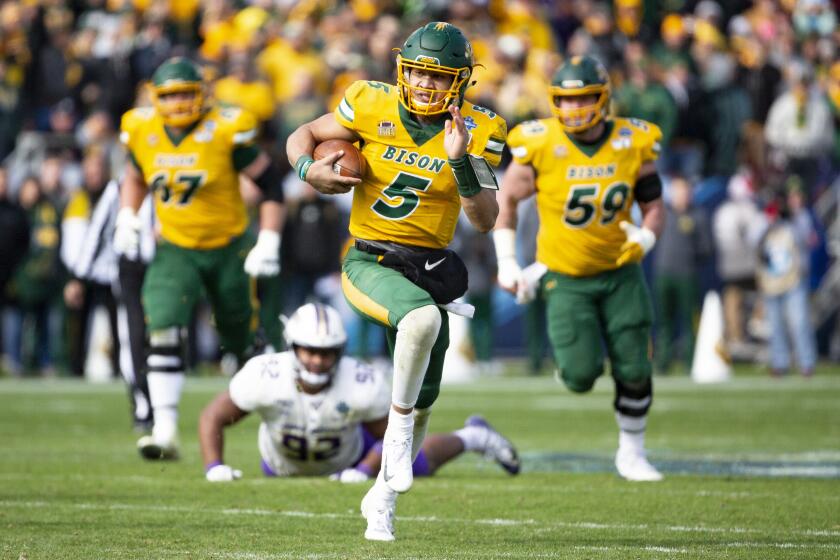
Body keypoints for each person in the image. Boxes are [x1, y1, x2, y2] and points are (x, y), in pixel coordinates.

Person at [286, 22, 507, 541]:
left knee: (425, 395)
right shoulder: (368, 101)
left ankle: (380, 498)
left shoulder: (482, 127)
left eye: (436, 76)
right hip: (368, 260)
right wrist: (305, 169)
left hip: (427, 266)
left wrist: (460, 162)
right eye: (416, 73)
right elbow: (306, 135)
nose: (424, 85)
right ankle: (399, 434)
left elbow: (485, 218)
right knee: (422, 320)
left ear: (459, 82)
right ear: (401, 70)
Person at [495, 55, 666, 482]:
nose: (572, 109)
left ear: (602, 98)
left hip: (620, 272)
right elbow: (507, 199)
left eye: (583, 99)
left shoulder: (634, 140)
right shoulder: (539, 143)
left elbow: (654, 204)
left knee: (634, 366)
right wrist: (508, 260)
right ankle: (573, 358)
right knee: (579, 375)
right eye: (565, 101)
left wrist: (647, 235)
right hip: (566, 277)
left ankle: (632, 453)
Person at [115, 57, 286, 460]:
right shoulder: (141, 128)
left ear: (203, 94)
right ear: (155, 97)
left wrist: (269, 240)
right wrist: (128, 213)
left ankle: (281, 423)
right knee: (164, 327)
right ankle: (165, 429)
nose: (177, 103)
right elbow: (136, 175)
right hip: (175, 245)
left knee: (241, 338)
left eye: (184, 93)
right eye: (169, 95)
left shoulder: (225, 128)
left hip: (229, 246)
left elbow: (271, 184)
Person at [198, 303, 519, 484]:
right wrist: (215, 466)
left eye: (326, 352)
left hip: (351, 454)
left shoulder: (359, 381)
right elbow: (213, 417)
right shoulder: (265, 374)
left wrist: (365, 468)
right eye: (309, 351)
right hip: (281, 466)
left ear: (340, 351)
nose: (317, 360)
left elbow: (394, 436)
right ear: (292, 347)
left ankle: (474, 437)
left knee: (412, 462)